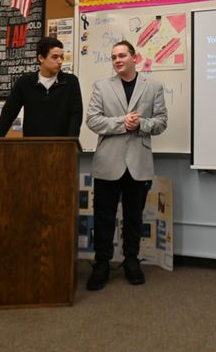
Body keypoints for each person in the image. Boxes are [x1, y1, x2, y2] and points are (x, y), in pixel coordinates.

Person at [85, 40, 167, 291]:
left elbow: (161, 122)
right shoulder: (101, 87)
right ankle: (102, 263)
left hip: (138, 164)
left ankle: (132, 260)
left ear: (134, 57)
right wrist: (123, 123)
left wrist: (141, 125)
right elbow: (92, 121)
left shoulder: (153, 87)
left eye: (122, 55)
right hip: (108, 162)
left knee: (134, 217)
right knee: (103, 218)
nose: (117, 60)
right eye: (113, 57)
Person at [0, 37, 82, 137]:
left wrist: (70, 142)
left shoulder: (70, 81)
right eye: (55, 57)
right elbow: (8, 114)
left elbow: (76, 115)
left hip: (61, 145)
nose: (60, 61)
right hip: (32, 146)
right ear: (41, 58)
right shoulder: (24, 82)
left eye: (61, 57)